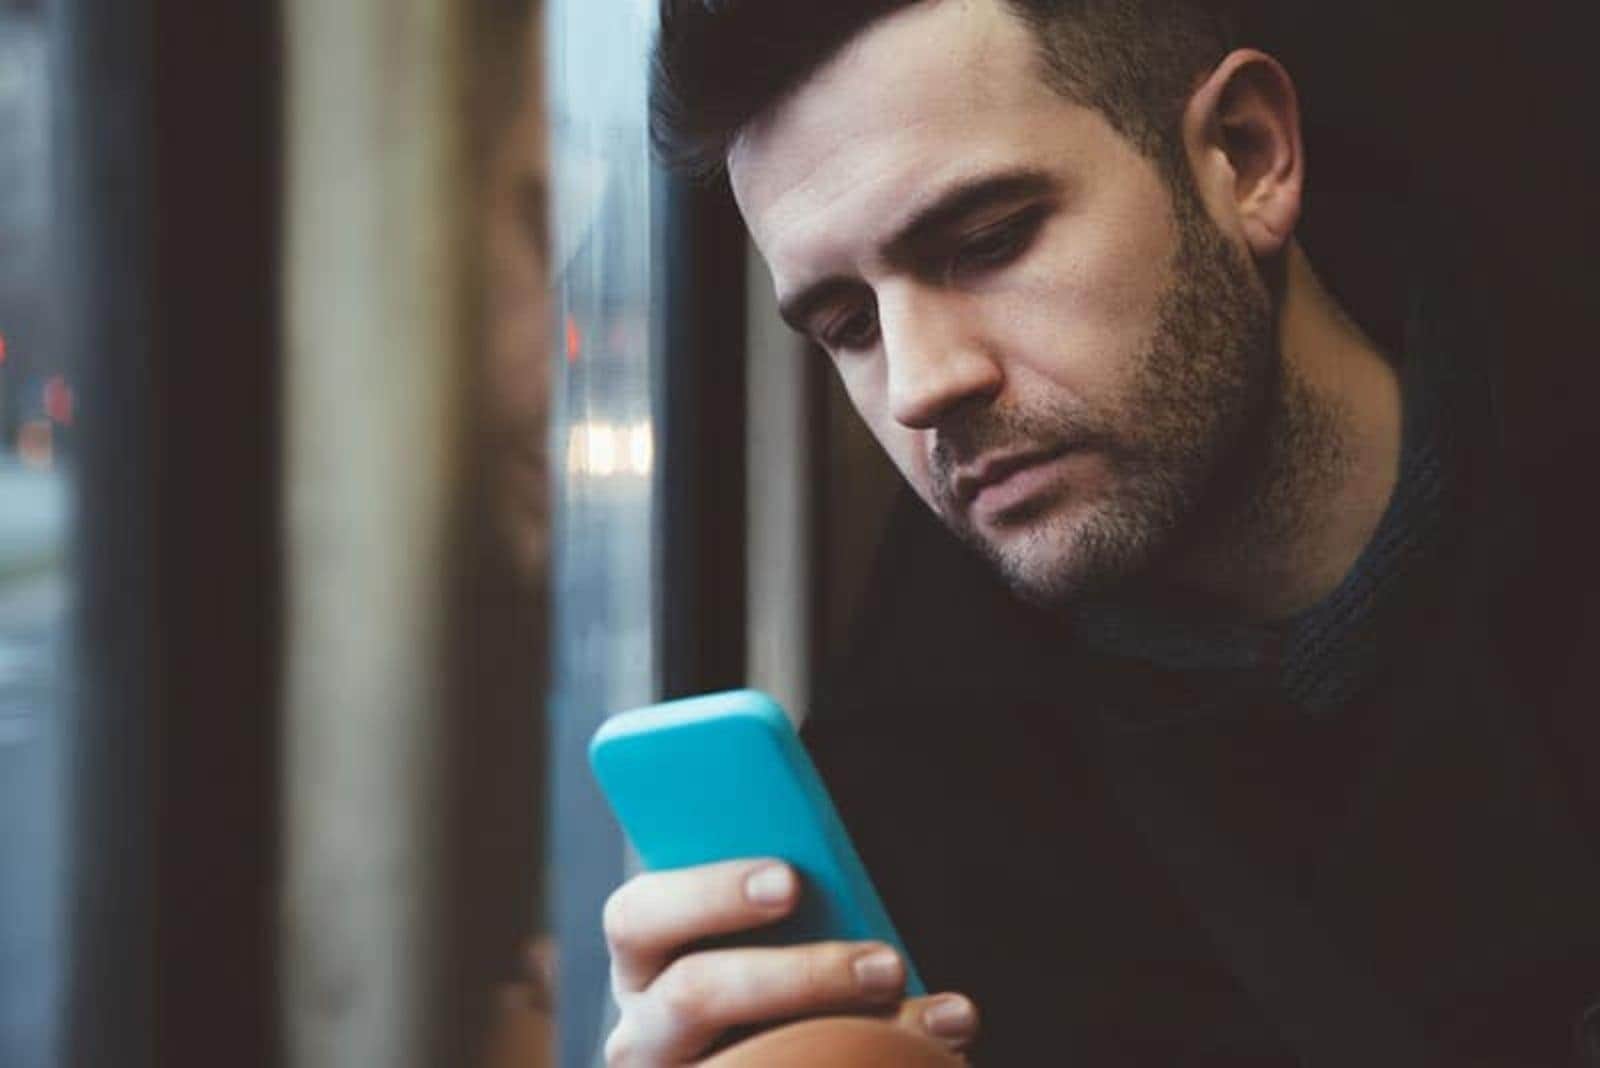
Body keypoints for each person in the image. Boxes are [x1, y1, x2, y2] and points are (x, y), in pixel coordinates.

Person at [601, 1, 1600, 1064]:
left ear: (1246, 158)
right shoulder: (911, 844)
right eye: (849, 325)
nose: (924, 385)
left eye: (986, 241)